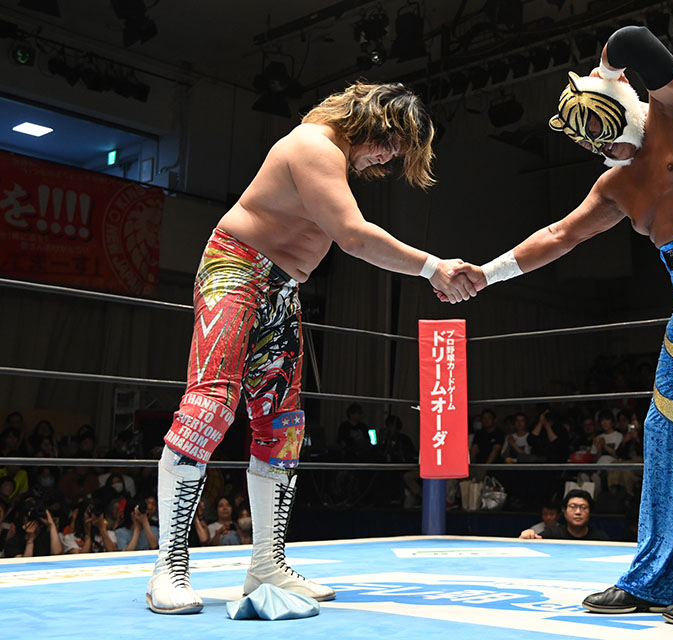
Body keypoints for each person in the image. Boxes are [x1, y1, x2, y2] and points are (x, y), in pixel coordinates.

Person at [449, 25, 673, 626]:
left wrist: (603, 75)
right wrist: (488, 273)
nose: (599, 143)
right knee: (666, 427)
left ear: (622, 103)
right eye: (588, 138)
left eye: (600, 125)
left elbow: (632, 37)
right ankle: (660, 577)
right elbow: (559, 235)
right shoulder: (615, 184)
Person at [147, 80, 478, 615]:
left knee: (282, 424)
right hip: (236, 267)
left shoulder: (332, 158)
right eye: (390, 142)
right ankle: (168, 565)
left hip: (282, 288)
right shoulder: (313, 145)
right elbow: (353, 235)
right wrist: (433, 266)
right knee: (209, 406)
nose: (388, 156)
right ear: (370, 119)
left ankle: (266, 564)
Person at [519, 490, 608, 541]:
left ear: (590, 512)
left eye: (583, 507)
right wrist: (526, 537)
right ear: (565, 512)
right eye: (573, 507)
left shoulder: (600, 538)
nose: (578, 512)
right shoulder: (552, 534)